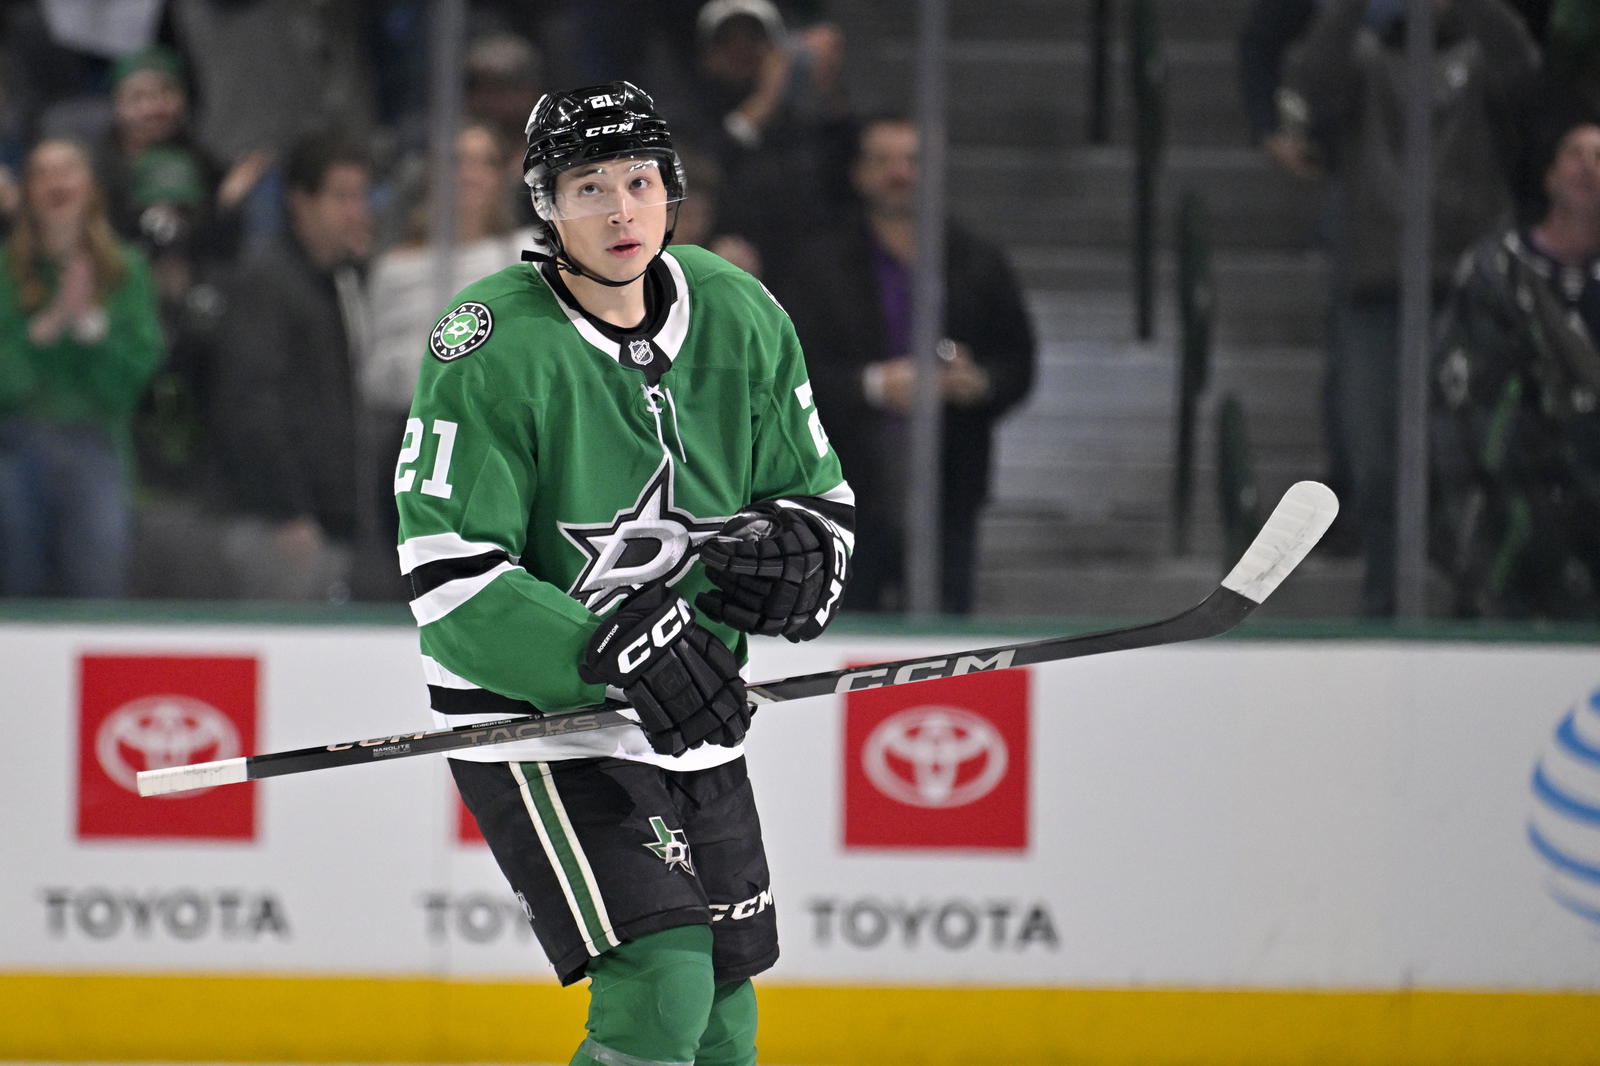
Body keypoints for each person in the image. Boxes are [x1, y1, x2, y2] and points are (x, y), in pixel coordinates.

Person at [394, 81, 853, 1066]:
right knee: (660, 990)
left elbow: (816, 493)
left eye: (639, 181)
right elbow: (448, 577)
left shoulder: (738, 309)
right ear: (546, 206)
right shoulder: (488, 341)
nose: (619, 210)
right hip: (537, 716)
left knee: (723, 1015)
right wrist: (611, 656)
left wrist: (806, 556)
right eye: (588, 187)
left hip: (693, 710)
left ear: (672, 188)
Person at [1280, 0, 1539, 615]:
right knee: (1375, 457)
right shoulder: (1363, 61)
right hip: (1376, 284)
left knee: (1467, 459)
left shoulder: (1479, 61)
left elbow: (1524, 72)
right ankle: (1385, 602)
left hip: (1468, 290)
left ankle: (1470, 602)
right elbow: (1312, 81)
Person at [777, 114, 1036, 614]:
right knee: (842, 624)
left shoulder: (978, 259)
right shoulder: (817, 264)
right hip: (842, 481)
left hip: (950, 479)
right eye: (883, 161)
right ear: (858, 173)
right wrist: (873, 386)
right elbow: (787, 374)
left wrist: (979, 382)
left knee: (945, 629)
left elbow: (1018, 361)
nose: (900, 174)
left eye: (913, 160)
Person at [1430, 115, 1600, 619]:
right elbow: (1461, 389)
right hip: (1510, 500)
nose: (1588, 168)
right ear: (1549, 175)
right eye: (1575, 155)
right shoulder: (1496, 270)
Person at [207, 129, 385, 602]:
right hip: (282, 522)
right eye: (341, 197)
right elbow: (250, 401)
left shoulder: (343, 280)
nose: (357, 211)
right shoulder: (268, 282)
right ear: (300, 203)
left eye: (362, 197)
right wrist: (286, 509)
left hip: (336, 516)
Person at [0, 138, 163, 597]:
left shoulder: (126, 272)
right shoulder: (4, 273)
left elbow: (131, 383)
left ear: (90, 187)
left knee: (98, 591)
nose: (56, 183)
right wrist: (48, 327)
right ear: (27, 192)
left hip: (97, 443)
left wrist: (92, 331)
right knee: (17, 587)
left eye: (68, 169)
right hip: (12, 446)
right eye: (43, 173)